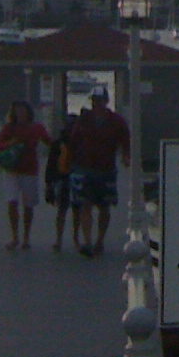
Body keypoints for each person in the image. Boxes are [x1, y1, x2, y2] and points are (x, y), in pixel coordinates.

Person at [69, 85, 130, 257]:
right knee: (85, 205)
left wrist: (126, 156)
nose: (97, 104)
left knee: (104, 207)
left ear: (107, 101)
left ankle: (100, 240)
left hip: (106, 169)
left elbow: (126, 140)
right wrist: (71, 163)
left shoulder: (117, 121)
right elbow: (73, 140)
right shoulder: (83, 120)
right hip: (85, 168)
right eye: (95, 101)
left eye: (100, 101)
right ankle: (88, 242)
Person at [0, 99, 52, 251]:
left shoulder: (37, 127)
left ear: (28, 112)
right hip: (11, 170)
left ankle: (26, 237)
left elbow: (49, 142)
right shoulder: (8, 128)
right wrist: (10, 143)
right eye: (17, 110)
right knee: (12, 201)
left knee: (28, 205)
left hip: (29, 170)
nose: (20, 113)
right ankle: (15, 237)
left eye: (22, 110)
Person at [44, 111, 80, 251]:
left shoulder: (81, 142)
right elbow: (51, 164)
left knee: (76, 209)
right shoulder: (58, 144)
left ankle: (75, 238)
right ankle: (60, 239)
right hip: (62, 178)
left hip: (76, 177)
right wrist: (49, 183)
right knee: (63, 209)